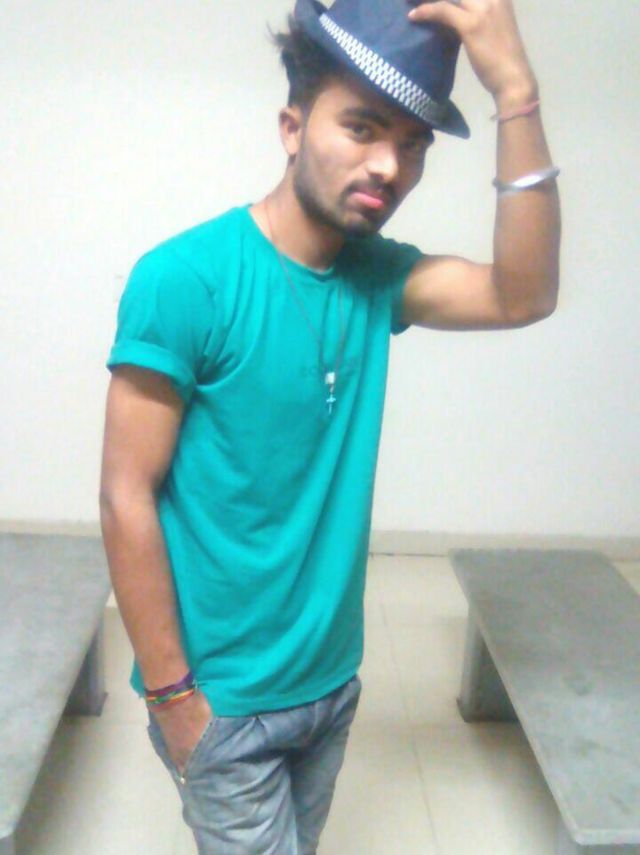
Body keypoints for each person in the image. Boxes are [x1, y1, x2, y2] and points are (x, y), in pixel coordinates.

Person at [99, 0, 560, 851]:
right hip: (222, 699)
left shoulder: (379, 278)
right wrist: (174, 700)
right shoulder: (185, 278)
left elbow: (522, 293)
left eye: (414, 144)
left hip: (332, 683)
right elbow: (126, 494)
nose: (389, 164)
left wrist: (516, 92)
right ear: (292, 126)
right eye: (361, 127)